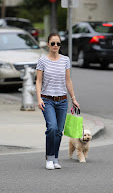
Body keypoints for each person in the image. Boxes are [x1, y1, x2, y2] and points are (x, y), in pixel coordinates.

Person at [36, 33, 79, 170]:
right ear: (48, 44)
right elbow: (38, 81)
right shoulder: (42, 61)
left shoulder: (65, 60)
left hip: (62, 100)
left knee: (59, 131)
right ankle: (49, 157)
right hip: (47, 100)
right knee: (52, 128)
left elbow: (68, 80)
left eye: (58, 44)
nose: (55, 46)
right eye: (53, 43)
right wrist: (38, 98)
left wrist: (73, 98)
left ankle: (55, 158)